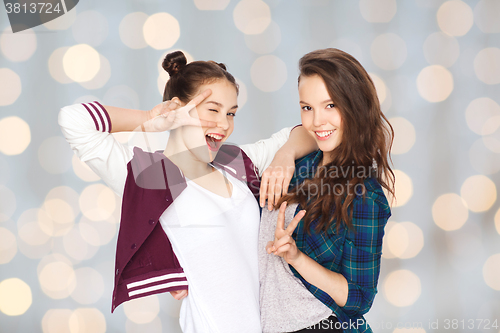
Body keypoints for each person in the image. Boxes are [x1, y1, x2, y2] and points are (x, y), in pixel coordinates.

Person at [59, 50, 315, 333]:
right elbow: (73, 119)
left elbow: (309, 131)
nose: (224, 124)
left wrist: (285, 154)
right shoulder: (150, 175)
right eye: (213, 110)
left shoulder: (235, 163)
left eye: (230, 113)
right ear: (177, 109)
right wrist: (150, 118)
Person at [259, 48, 395, 333]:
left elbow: (359, 298)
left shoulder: (365, 195)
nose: (317, 121)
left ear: (354, 105)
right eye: (307, 107)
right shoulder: (299, 164)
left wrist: (296, 257)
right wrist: (286, 152)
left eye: (330, 105)